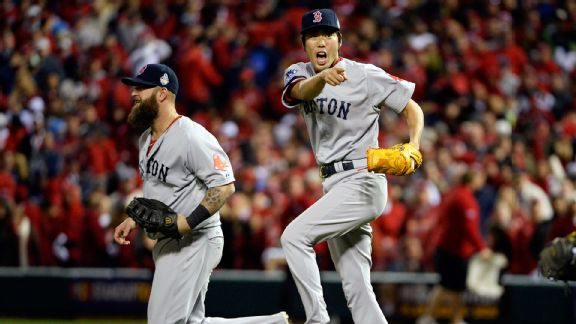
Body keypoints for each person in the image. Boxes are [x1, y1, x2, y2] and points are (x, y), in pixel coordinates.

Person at [113, 63, 289, 324]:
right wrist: (135, 220)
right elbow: (160, 191)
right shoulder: (145, 139)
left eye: (140, 88)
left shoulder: (191, 135)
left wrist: (187, 222)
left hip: (196, 238)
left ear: (162, 93)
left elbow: (225, 185)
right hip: (169, 242)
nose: (133, 94)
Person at [280, 9, 425, 324]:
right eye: (313, 36)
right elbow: (301, 92)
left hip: (363, 179)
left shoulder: (366, 75)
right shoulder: (298, 72)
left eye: (327, 34)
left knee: (294, 237)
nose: (320, 41)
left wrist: (413, 144)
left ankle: (317, 319)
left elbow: (412, 108)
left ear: (339, 40)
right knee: (357, 286)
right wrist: (321, 78)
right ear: (304, 43)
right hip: (334, 185)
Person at [417, 171, 493, 324]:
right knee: (447, 286)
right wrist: (482, 248)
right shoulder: (465, 199)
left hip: (450, 248)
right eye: (479, 177)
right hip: (454, 250)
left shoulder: (455, 193)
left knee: (455, 287)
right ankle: (430, 317)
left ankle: (454, 319)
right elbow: (469, 228)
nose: (482, 180)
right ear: (472, 180)